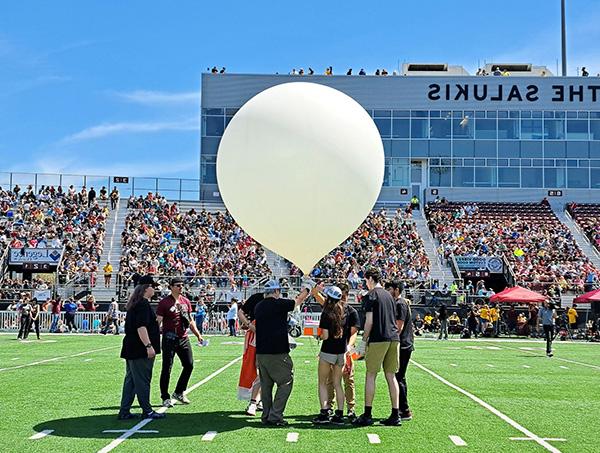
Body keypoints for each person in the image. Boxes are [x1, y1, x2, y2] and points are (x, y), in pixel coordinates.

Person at [254, 279, 310, 426]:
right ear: (276, 291)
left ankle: (266, 415)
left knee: (266, 386)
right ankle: (275, 415)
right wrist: (308, 289)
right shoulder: (278, 304)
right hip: (277, 351)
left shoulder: (258, 306)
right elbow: (297, 301)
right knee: (286, 381)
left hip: (261, 352)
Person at [353, 268, 401, 427]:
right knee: (391, 376)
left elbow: (369, 321)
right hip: (394, 338)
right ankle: (396, 413)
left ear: (370, 279)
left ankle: (367, 413)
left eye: (366, 280)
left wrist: (363, 340)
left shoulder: (371, 296)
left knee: (371, 375)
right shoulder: (389, 295)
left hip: (379, 337)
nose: (365, 284)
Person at [312, 284, 360, 425]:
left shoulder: (327, 312)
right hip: (341, 352)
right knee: (339, 383)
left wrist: (318, 335)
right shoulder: (346, 310)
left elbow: (325, 336)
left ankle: (324, 412)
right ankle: (340, 413)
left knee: (323, 382)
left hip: (328, 351)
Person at [118, 275, 164, 420]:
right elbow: (141, 327)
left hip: (131, 347)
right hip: (140, 349)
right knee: (143, 380)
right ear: (146, 288)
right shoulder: (143, 304)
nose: (154, 289)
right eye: (153, 286)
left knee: (131, 381)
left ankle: (124, 410)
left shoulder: (135, 303)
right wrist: (149, 346)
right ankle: (147, 410)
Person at [157, 277, 204, 407]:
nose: (180, 287)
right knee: (167, 368)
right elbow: (158, 321)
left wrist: (198, 335)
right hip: (169, 338)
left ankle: (179, 391)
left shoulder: (186, 301)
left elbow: (190, 320)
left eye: (182, 285)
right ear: (171, 287)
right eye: (177, 285)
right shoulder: (164, 303)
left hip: (183, 337)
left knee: (189, 365)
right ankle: (165, 396)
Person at [386, 280, 415, 421]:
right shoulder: (401, 303)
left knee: (398, 377)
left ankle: (404, 410)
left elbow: (399, 327)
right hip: (404, 343)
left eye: (389, 289)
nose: (387, 291)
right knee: (399, 377)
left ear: (396, 290)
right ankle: (403, 409)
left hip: (402, 345)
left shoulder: (400, 304)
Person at [238, 292, 264, 416]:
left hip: (269, 336)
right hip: (255, 336)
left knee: (266, 370)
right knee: (258, 369)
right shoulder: (257, 298)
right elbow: (241, 312)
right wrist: (249, 325)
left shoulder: (278, 300)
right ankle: (254, 401)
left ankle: (259, 400)